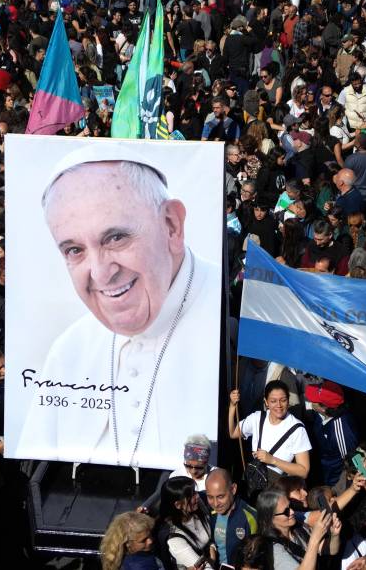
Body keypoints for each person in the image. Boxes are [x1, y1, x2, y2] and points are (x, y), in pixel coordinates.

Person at [17, 145, 220, 467]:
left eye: (115, 238)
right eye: (74, 250)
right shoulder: (70, 349)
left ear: (172, 226)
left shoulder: (229, 319)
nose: (101, 273)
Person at [228, 380, 311, 481]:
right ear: (266, 402)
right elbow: (233, 433)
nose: (279, 405)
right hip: (253, 480)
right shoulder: (257, 418)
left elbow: (304, 471)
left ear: (288, 401)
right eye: (273, 401)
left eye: (283, 400)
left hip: (277, 486)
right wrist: (232, 406)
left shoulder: (297, 428)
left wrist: (272, 460)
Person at [255, 488, 339, 570]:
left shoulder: (298, 528)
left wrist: (334, 534)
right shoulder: (272, 548)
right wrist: (314, 539)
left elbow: (330, 550)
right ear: (271, 518)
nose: (292, 512)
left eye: (290, 506)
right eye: (286, 511)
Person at [155, 476, 215, 569]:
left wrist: (212, 551)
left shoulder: (198, 506)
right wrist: (211, 561)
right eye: (191, 496)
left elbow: (210, 537)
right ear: (178, 505)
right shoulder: (174, 538)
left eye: (195, 492)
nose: (197, 496)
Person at [204, 468, 257, 563]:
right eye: (210, 497)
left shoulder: (251, 517)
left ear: (233, 489)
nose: (215, 504)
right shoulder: (208, 511)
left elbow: (256, 557)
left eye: (220, 496)